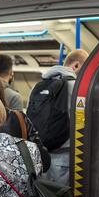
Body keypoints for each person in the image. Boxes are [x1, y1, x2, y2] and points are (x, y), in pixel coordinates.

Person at [28, 49, 88, 185]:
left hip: (40, 158)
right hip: (64, 162)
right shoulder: (76, 89)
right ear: (76, 65)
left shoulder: (37, 86)